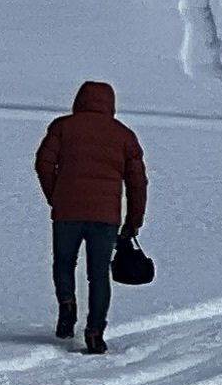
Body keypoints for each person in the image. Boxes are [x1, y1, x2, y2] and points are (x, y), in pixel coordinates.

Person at [29, 81, 146, 351]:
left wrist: (55, 196)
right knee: (99, 275)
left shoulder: (62, 127)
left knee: (64, 263)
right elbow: (137, 182)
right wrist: (133, 221)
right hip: (105, 218)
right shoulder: (124, 136)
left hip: (67, 212)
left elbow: (43, 163)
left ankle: (67, 304)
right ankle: (94, 332)